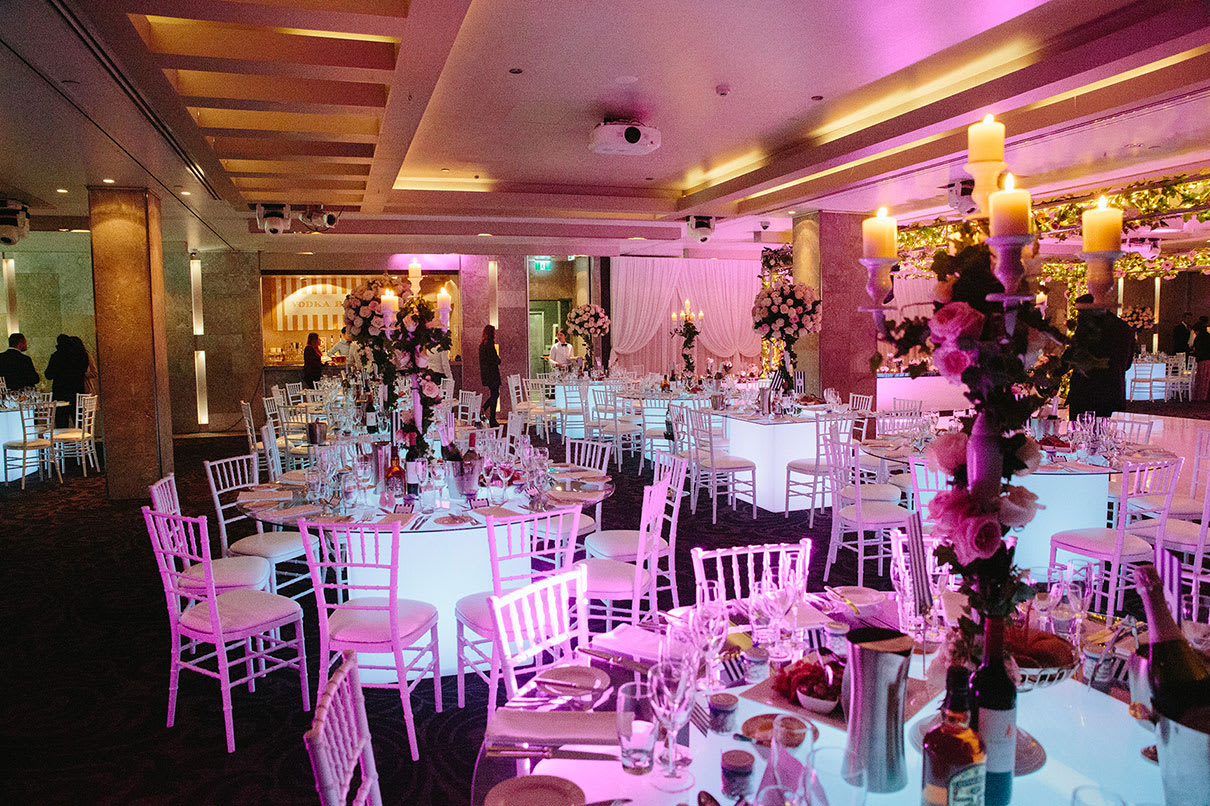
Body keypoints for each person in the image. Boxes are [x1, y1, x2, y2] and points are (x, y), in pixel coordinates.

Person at [1066, 294, 1137, 418]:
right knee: (1106, 434)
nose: (1078, 316)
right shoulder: (1125, 329)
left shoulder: (1089, 327)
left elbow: (1075, 355)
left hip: (1086, 393)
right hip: (1113, 391)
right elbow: (1127, 364)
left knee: (1081, 433)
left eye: (1080, 311)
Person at [45, 334, 88, 427]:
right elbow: (84, 370)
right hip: (77, 393)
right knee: (80, 424)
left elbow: (48, 375)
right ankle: (81, 440)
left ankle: (63, 441)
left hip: (60, 394)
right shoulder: (81, 355)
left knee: (61, 424)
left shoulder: (56, 356)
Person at [478, 324, 501, 427]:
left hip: (486, 374)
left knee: (494, 394)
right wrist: (498, 359)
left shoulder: (481, 345)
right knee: (495, 395)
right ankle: (487, 412)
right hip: (493, 374)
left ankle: (490, 416)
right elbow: (494, 359)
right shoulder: (490, 344)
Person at [1194, 321, 1210, 401]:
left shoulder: (1199, 338)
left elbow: (1197, 349)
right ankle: (1206, 396)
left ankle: (1201, 396)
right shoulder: (1208, 336)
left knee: (1202, 379)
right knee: (1206, 379)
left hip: (1202, 360)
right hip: (1208, 359)